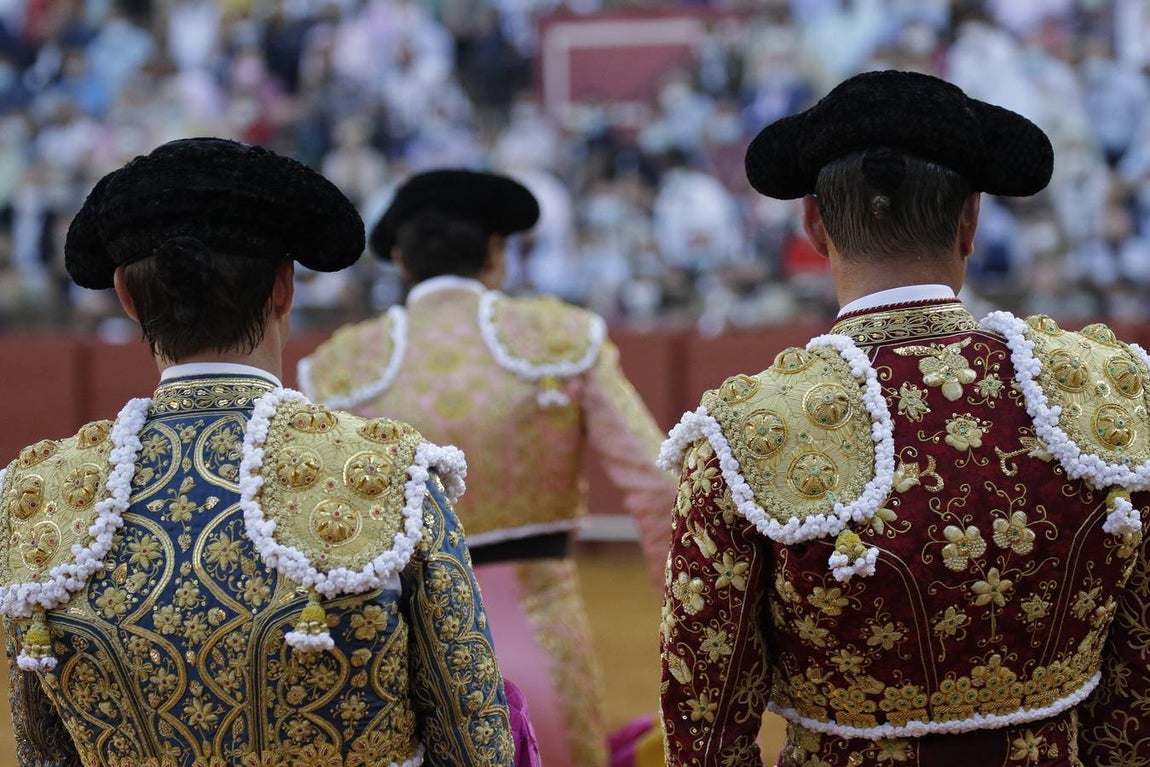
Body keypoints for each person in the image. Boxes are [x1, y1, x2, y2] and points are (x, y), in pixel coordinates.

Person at [658, 69, 1150, 766]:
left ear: (814, 225)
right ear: (971, 218)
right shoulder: (1113, 393)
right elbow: (1137, 690)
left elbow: (705, 725)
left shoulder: (745, 430)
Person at [0, 137, 517, 767]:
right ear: (283, 287)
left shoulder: (37, 501)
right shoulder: (390, 476)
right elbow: (476, 743)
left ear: (127, 298)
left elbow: (40, 751)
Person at [298, 168, 677, 767]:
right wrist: (692, 625)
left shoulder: (340, 367)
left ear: (400, 260)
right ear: (496, 254)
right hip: (543, 642)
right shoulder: (562, 337)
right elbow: (660, 489)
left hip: (405, 656)